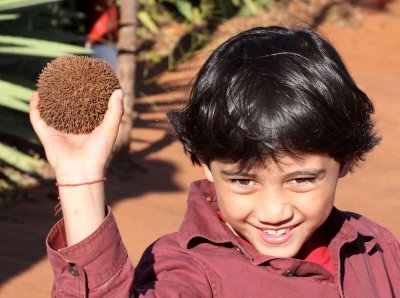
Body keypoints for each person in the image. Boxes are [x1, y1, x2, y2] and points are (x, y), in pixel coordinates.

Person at [30, 26, 400, 297]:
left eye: (301, 180)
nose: (273, 212)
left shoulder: (377, 248)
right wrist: (80, 179)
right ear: (207, 165)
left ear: (346, 161)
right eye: (243, 181)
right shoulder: (186, 271)